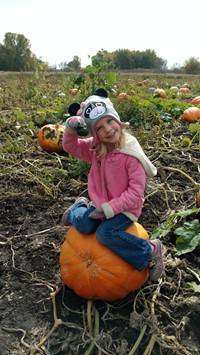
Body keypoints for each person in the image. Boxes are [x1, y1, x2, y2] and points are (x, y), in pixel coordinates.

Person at [62, 88, 164, 282]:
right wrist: (70, 128)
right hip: (100, 204)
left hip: (125, 209)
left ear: (117, 120)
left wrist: (108, 210)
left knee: (105, 233)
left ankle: (149, 250)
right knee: (83, 225)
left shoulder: (131, 154)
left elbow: (135, 193)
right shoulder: (95, 149)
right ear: (95, 134)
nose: (108, 129)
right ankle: (78, 208)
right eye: (99, 128)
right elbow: (70, 147)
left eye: (109, 121)